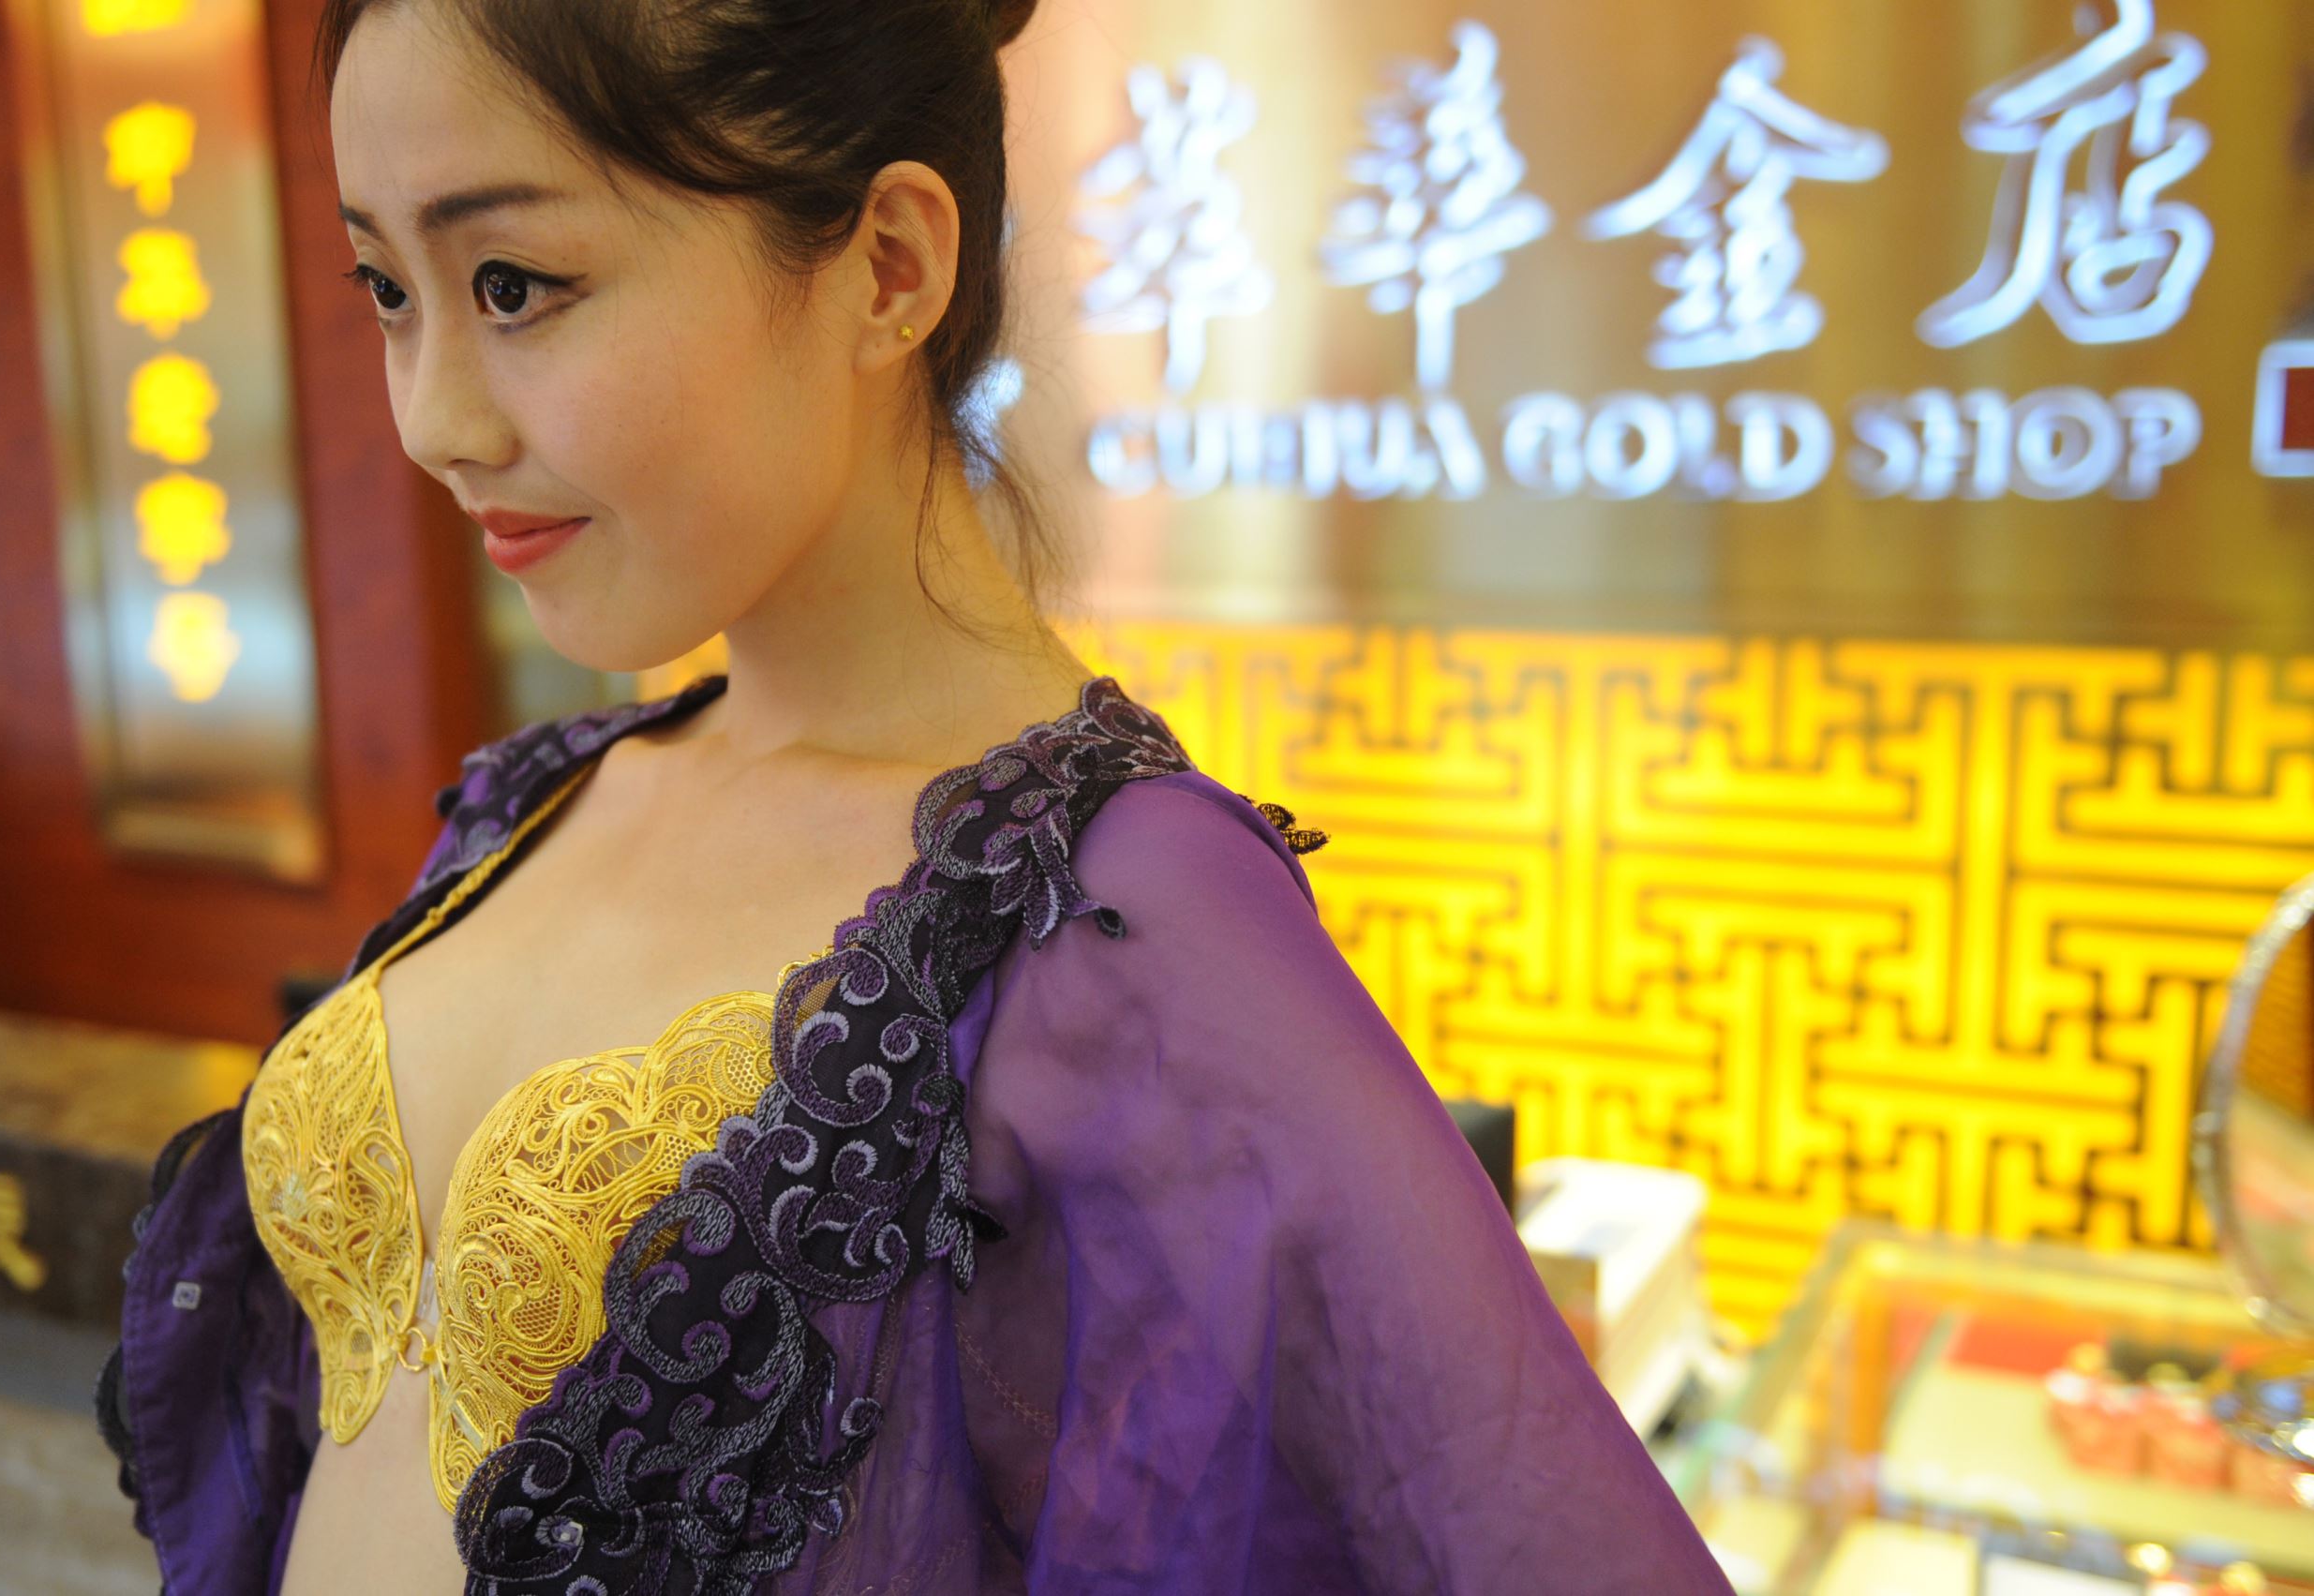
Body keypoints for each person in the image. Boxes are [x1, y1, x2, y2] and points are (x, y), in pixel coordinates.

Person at [94, 1, 1735, 1591]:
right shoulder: (542, 797)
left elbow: (1506, 1513)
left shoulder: (1112, 910)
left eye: (515, 285)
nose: (432, 419)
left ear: (888, 264)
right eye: (390, 290)